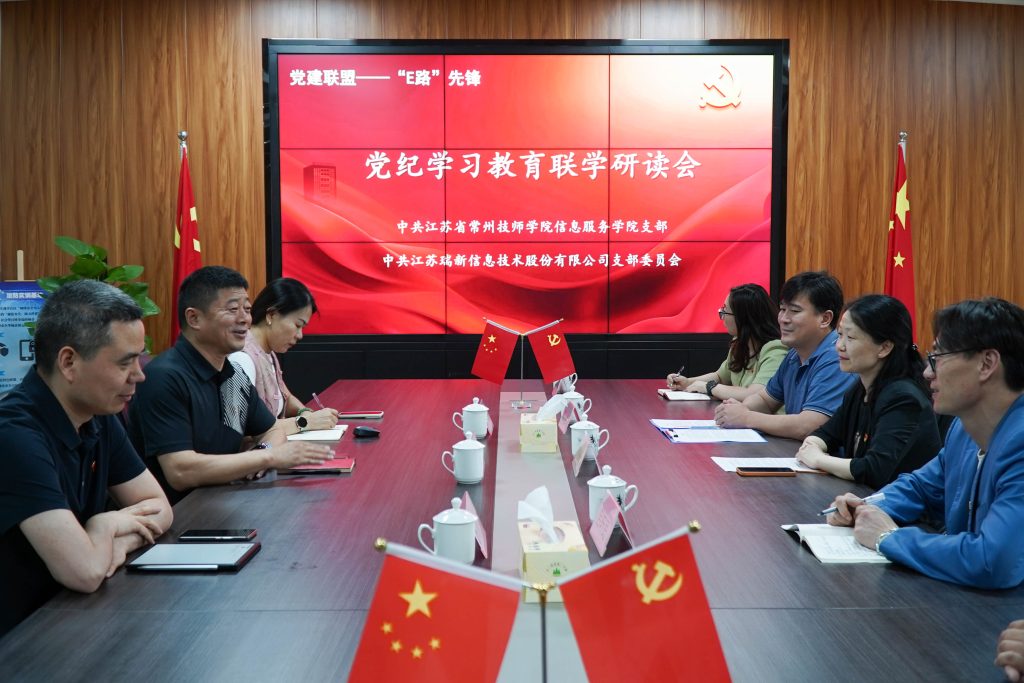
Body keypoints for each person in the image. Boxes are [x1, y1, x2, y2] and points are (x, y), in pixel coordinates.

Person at [0, 280, 173, 636]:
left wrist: (111, 542)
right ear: (69, 362)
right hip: (21, 638)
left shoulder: (98, 415)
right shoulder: (14, 435)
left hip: (72, 619)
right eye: (125, 362)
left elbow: (160, 507)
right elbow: (84, 572)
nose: (140, 374)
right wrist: (103, 526)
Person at [827, 298, 1024, 589]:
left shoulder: (1019, 444)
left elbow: (991, 561)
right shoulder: (963, 430)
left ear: (987, 364)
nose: (927, 372)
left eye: (938, 358)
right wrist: (865, 508)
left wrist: (888, 538)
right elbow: (920, 486)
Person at [128, 266, 331, 504]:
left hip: (225, 501)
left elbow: (271, 430)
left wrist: (264, 451)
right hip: (180, 514)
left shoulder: (232, 375)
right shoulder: (165, 376)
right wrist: (268, 458)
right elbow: (181, 472)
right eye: (233, 309)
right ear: (194, 318)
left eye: (247, 309)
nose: (245, 319)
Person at [796, 295, 941, 488]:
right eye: (840, 335)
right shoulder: (859, 389)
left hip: (899, 505)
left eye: (850, 338)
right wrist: (812, 445)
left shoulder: (904, 398)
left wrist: (818, 459)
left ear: (884, 347)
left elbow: (874, 470)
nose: (839, 346)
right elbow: (825, 434)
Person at [714, 271, 854, 439]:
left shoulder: (837, 357)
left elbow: (809, 426)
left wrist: (746, 417)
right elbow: (765, 400)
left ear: (825, 319)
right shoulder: (794, 354)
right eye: (782, 309)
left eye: (794, 311)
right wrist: (738, 409)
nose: (783, 319)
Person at [227, 278, 338, 435]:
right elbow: (243, 429)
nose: (300, 335)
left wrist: (305, 412)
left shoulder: (268, 352)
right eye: (297, 325)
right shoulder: (242, 358)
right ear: (272, 315)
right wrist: (306, 422)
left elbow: (285, 397)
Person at [666, 283, 787, 401]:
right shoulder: (739, 344)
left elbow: (755, 395)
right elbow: (720, 377)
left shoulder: (775, 350)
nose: (722, 316)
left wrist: (710, 387)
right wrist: (688, 382)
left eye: (725, 311)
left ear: (744, 318)